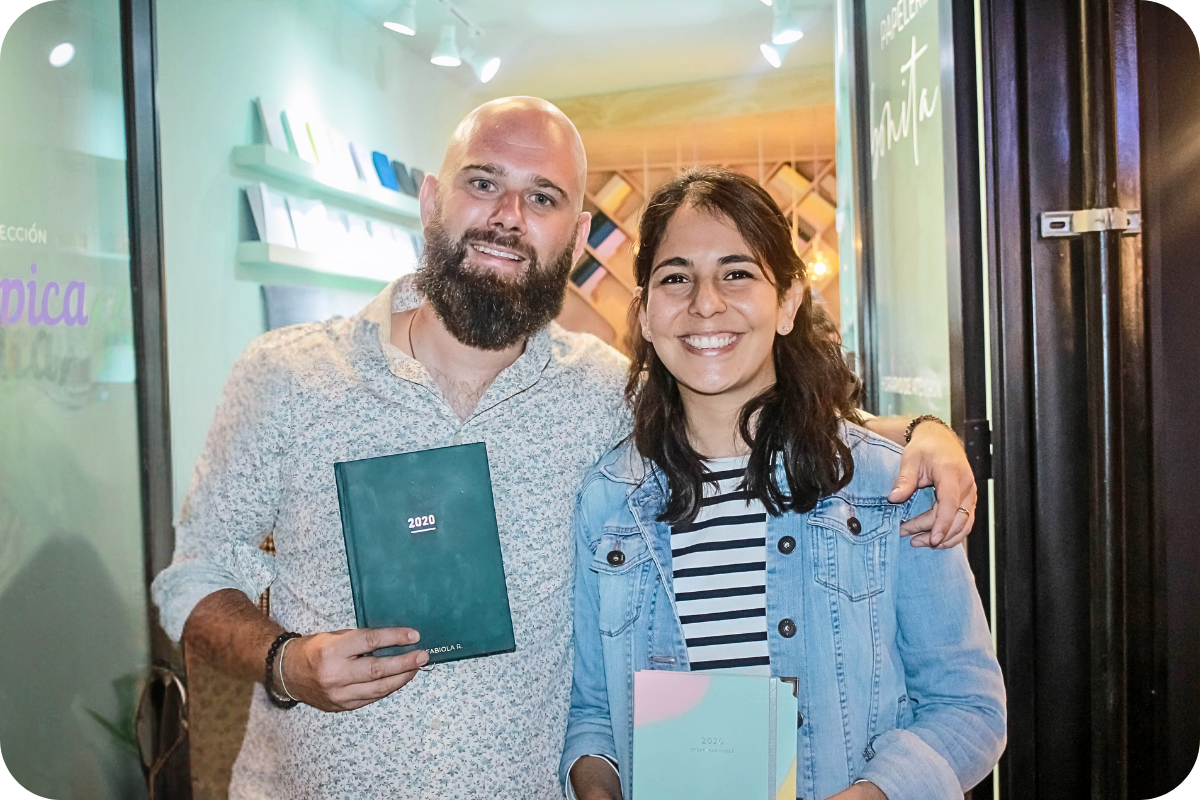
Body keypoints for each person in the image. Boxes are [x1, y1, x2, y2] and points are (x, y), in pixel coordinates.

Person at [151, 98, 980, 799]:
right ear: (432, 198)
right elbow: (194, 576)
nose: (509, 217)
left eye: (542, 197)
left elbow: (741, 405)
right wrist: (286, 664)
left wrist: (921, 435)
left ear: (577, 235)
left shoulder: (601, 392)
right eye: (483, 183)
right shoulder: (288, 374)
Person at [561, 168, 1005, 800]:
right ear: (646, 314)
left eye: (737, 273)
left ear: (789, 302)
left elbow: (969, 708)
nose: (705, 302)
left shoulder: (888, 485)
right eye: (676, 278)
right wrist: (598, 791)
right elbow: (593, 714)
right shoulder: (609, 500)